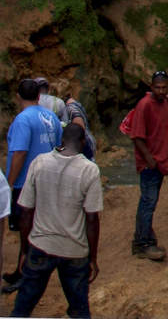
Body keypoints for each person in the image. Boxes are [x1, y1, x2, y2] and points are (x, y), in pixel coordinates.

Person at [10, 121, 101, 319]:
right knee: (79, 310)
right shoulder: (89, 170)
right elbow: (92, 218)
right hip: (74, 250)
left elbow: (25, 211)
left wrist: (25, 251)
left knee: (22, 308)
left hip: (41, 245)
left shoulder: (39, 163)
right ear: (83, 142)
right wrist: (92, 258)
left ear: (61, 140)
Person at [4, 78, 62, 290]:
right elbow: (59, 148)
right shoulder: (51, 117)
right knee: (36, 228)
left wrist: (9, 183)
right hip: (48, 181)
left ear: (18, 96)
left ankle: (25, 274)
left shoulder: (22, 120)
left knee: (25, 229)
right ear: (39, 96)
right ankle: (24, 271)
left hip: (26, 183)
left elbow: (19, 153)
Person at [124, 71, 168, 260]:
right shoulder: (145, 105)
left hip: (159, 161)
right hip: (151, 163)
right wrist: (149, 159)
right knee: (148, 202)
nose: (161, 91)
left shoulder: (164, 104)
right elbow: (136, 136)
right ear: (151, 87)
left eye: (164, 87)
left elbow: (164, 125)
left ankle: (142, 238)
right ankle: (143, 243)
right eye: (157, 87)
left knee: (148, 201)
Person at [62, 96, 96, 162]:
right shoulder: (78, 105)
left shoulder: (70, 108)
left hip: (84, 144)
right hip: (87, 140)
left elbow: (79, 125)